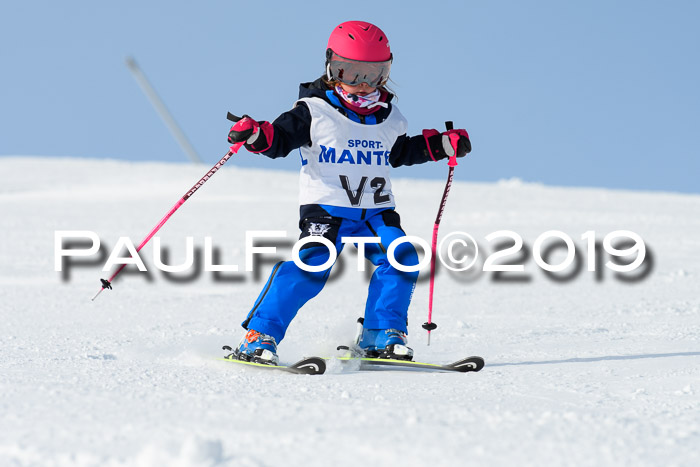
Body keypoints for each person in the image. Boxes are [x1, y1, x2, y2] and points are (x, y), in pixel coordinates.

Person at [227, 20, 471, 365]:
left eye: (374, 74)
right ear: (331, 67)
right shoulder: (312, 112)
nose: (362, 84)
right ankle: (259, 335)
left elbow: (398, 152)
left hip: (375, 212)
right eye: (351, 72)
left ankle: (379, 333)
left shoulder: (390, 117)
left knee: (401, 257)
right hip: (327, 211)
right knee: (312, 264)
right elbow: (278, 140)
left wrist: (440, 145)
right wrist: (255, 135)